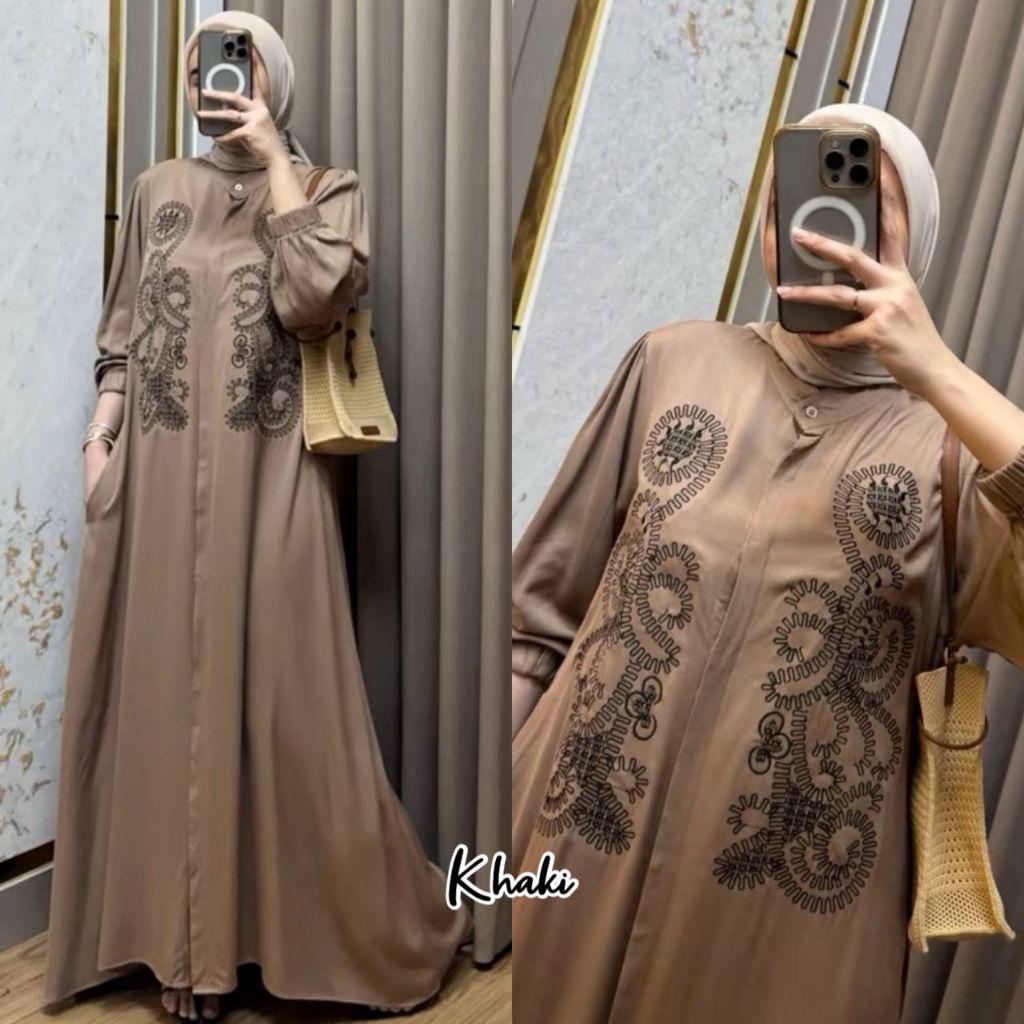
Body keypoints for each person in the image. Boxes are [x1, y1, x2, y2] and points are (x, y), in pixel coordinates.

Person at [509, 102, 1024, 1023]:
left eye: (856, 211)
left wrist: (938, 371)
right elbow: (539, 616)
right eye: (795, 198)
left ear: (912, 245)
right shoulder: (672, 363)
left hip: (791, 910)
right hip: (583, 840)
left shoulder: (951, 451)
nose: (816, 231)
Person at [42, 11, 470, 1022]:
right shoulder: (159, 189)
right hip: (151, 485)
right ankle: (176, 951)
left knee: (280, 715)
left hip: (270, 482)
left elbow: (317, 297)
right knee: (162, 712)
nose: (211, 84)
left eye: (232, 67)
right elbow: (122, 332)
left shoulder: (326, 189)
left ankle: (286, 940)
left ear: (270, 76)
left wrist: (275, 157)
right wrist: (100, 443)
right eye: (199, 69)